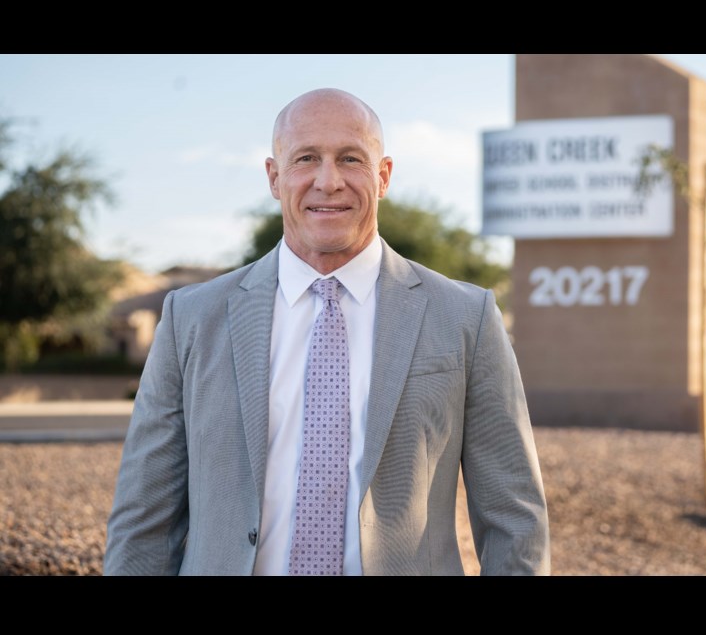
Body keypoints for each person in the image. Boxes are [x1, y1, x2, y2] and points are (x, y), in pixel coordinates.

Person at [104, 88, 550, 576]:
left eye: (351, 158)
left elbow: (514, 519)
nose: (328, 181)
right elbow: (144, 519)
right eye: (306, 158)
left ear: (383, 177)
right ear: (275, 177)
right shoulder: (191, 317)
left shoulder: (466, 317)